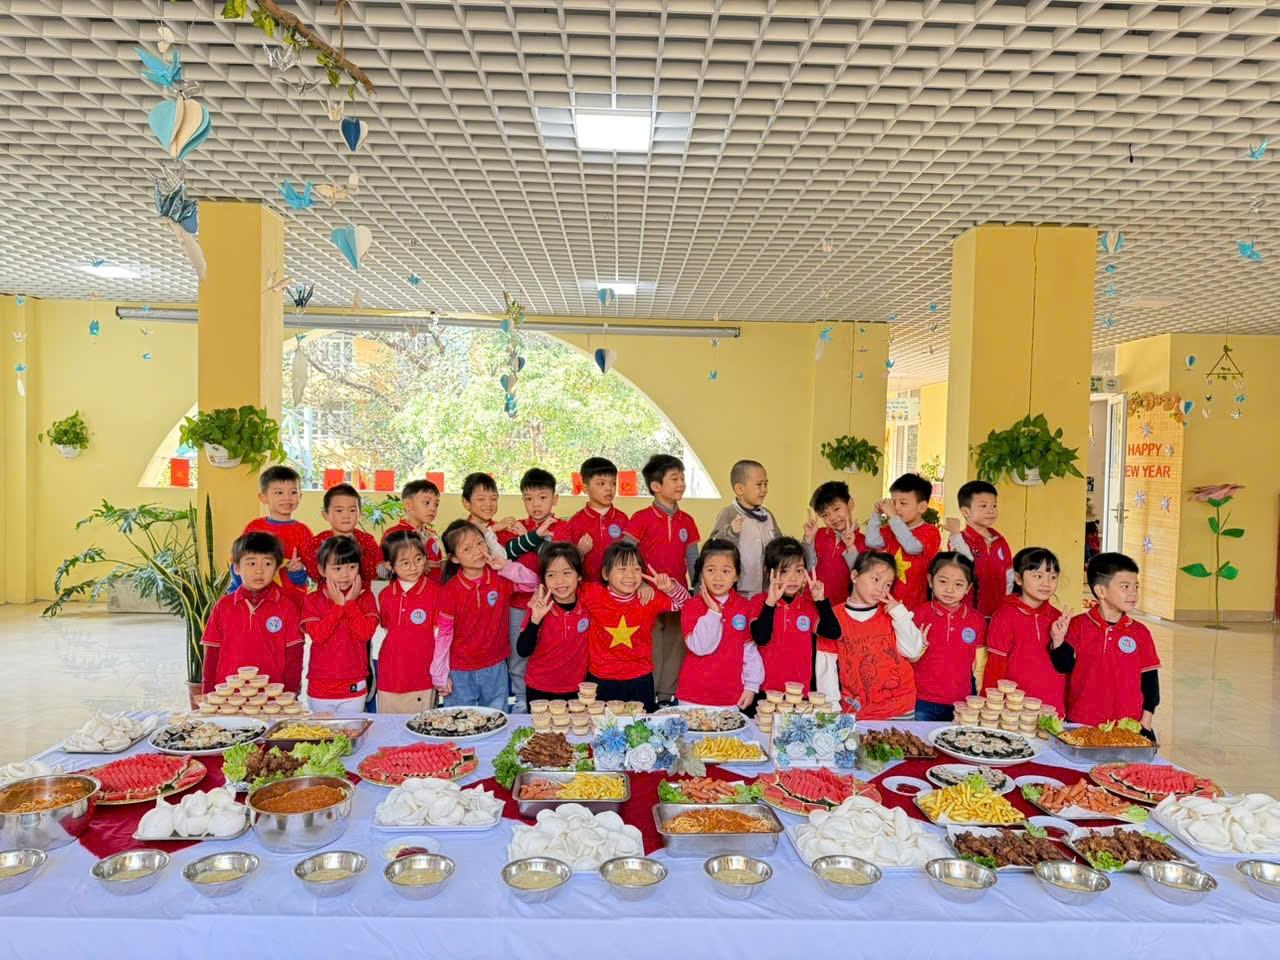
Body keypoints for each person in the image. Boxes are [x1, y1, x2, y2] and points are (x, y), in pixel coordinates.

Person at [430, 519, 538, 710]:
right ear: (454, 558)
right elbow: (444, 635)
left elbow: (534, 583)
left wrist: (506, 567)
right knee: (460, 720)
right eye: (467, 549)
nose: (478, 551)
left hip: (495, 665)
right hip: (460, 669)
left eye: (480, 543)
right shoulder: (449, 591)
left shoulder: (500, 578)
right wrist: (439, 673)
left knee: (496, 719)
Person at [1052, 552, 1160, 736]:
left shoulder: (1141, 633)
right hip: (1082, 722)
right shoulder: (1078, 625)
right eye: (1125, 587)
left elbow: (1150, 681)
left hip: (1128, 726)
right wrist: (1058, 639)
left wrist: (1146, 721)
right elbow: (1063, 665)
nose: (1133, 593)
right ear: (1101, 591)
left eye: (1136, 587)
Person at [624, 454, 700, 704]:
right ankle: (648, 697)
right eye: (674, 479)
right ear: (656, 486)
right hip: (647, 598)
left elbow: (693, 560)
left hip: (679, 598)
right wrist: (640, 583)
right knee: (652, 648)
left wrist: (697, 592)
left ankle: (667, 698)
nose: (681, 484)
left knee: (677, 647)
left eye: (682, 478)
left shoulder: (687, 521)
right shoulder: (641, 518)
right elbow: (625, 554)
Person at [580, 540, 690, 712]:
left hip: (640, 678)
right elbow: (565, 585)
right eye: (622, 569)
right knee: (603, 725)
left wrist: (670, 587)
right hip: (602, 678)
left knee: (640, 725)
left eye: (636, 569)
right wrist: (580, 552)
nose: (630, 575)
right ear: (605, 573)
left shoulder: (648, 598)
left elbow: (686, 604)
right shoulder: (593, 594)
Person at [504, 468, 573, 712]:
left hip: (554, 604)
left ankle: (554, 701)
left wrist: (529, 539)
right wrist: (530, 537)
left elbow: (556, 559)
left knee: (550, 652)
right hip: (519, 604)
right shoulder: (515, 526)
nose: (536, 504)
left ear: (555, 499)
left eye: (542, 497)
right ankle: (522, 700)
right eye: (529, 498)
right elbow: (506, 556)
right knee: (519, 655)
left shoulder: (562, 527)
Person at [201, 532, 303, 694]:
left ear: (277, 568)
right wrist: (208, 694)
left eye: (267, 563)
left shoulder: (288, 607)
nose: (259, 571)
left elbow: (295, 656)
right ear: (236, 568)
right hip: (228, 698)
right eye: (251, 563)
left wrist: (291, 694)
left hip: (273, 699)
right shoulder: (223, 606)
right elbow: (211, 654)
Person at [833, 551, 927, 720]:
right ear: (855, 576)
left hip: (900, 708)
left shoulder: (893, 614)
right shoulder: (834, 617)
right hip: (857, 711)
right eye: (875, 579)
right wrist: (831, 706)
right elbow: (826, 665)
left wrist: (899, 613)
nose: (881, 589)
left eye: (887, 584)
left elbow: (913, 651)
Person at [749, 537, 840, 700]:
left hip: (799, 693)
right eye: (785, 571)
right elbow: (761, 638)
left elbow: (833, 632)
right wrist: (770, 603)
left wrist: (820, 601)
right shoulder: (759, 602)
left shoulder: (807, 605)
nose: (793, 578)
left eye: (799, 571)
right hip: (765, 691)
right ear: (768, 572)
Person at [677, 539, 764, 708]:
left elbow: (749, 650)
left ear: (736, 575)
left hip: (730, 697)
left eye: (726, 571)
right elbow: (701, 647)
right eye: (710, 570)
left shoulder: (744, 607)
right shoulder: (691, 606)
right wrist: (713, 612)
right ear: (701, 572)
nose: (718, 577)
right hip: (692, 696)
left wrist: (751, 685)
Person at [984, 547, 1068, 713]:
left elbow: (1066, 668)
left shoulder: (1059, 618)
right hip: (1014, 709)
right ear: (1018, 578)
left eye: (1052, 577)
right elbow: (995, 667)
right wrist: (991, 707)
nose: (1046, 583)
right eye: (1038, 576)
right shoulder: (1004, 615)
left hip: (1052, 707)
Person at [300, 536, 379, 714]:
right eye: (337, 568)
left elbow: (365, 633)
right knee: (322, 730)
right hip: (320, 686)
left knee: (352, 729)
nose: (345, 574)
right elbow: (318, 636)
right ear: (322, 570)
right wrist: (338, 606)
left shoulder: (365, 597)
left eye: (352, 567)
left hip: (354, 683)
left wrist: (350, 604)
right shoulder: (313, 600)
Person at [910, 552, 987, 721]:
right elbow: (907, 656)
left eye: (958, 584)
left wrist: (977, 698)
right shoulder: (918, 614)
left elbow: (979, 665)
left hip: (961, 701)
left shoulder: (976, 620)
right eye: (943, 581)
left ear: (968, 588)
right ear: (930, 580)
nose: (949, 589)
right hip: (921, 699)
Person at [375, 529, 443, 714]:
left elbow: (440, 635)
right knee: (389, 724)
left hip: (422, 676)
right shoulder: (385, 595)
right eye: (405, 563)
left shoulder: (436, 592)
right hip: (390, 675)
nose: (413, 567)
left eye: (419, 559)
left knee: (420, 724)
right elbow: (387, 629)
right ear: (390, 566)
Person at [517, 542, 591, 703]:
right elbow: (522, 650)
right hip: (539, 688)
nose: (559, 581)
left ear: (579, 575)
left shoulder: (589, 601)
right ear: (543, 580)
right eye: (551, 575)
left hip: (578, 688)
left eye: (566, 573)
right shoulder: (539, 605)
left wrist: (642, 586)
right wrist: (535, 620)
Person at [227, 465, 312, 597]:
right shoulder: (254, 527)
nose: (287, 498)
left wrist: (298, 571)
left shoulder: (303, 531)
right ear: (263, 497)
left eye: (293, 492)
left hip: (292, 602)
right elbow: (238, 562)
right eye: (279, 493)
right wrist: (239, 593)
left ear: (300, 496)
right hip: (256, 600)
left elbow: (312, 573)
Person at [865, 472, 941, 610]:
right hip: (886, 604)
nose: (896, 508)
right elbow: (871, 542)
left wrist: (893, 516)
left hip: (915, 607)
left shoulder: (931, 532)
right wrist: (876, 514)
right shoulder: (891, 529)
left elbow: (912, 547)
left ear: (922, 507)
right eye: (893, 503)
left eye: (903, 503)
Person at [710, 459, 781, 598]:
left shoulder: (768, 516)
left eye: (766, 484)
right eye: (759, 484)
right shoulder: (728, 514)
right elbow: (712, 549)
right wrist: (730, 532)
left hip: (767, 593)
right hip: (739, 594)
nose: (764, 490)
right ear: (739, 489)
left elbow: (779, 549)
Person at [946, 480, 1013, 618]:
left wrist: (1007, 607)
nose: (991, 510)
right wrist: (955, 535)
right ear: (966, 511)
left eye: (994, 505)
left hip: (998, 613)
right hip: (968, 614)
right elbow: (966, 564)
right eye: (983, 506)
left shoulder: (1000, 541)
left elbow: (1009, 575)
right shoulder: (958, 540)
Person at [301, 483, 381, 588]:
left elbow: (373, 574)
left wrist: (356, 550)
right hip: (327, 596)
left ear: (360, 514)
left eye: (352, 510)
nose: (346, 515)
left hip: (361, 595)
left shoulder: (367, 540)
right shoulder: (318, 542)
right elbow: (314, 574)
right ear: (325, 515)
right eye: (339, 510)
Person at [567, 456, 629, 583]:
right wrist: (580, 552)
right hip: (585, 588)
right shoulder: (576, 522)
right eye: (601, 483)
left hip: (617, 588)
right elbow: (564, 562)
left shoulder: (622, 519)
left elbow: (631, 556)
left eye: (613, 483)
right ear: (586, 488)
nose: (609, 488)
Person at [803, 481, 864, 607]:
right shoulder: (818, 534)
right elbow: (803, 566)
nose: (832, 517)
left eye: (836, 509)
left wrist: (850, 547)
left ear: (850, 504)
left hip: (841, 610)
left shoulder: (863, 542)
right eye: (825, 515)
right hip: (809, 605)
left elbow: (861, 579)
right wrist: (808, 540)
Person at [380, 479, 444, 582]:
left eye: (436, 504)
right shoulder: (393, 534)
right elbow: (383, 571)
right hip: (406, 590)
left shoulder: (430, 535)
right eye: (427, 502)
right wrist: (419, 565)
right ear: (408, 505)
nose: (433, 508)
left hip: (434, 589)